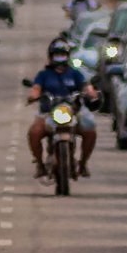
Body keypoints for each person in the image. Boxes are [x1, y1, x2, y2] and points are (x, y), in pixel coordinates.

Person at [26, 39, 100, 178]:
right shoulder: (44, 75)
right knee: (34, 132)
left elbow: (86, 86)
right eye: (56, 55)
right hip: (48, 112)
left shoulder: (75, 74)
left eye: (63, 55)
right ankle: (40, 165)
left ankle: (83, 164)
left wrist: (91, 93)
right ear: (51, 57)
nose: (60, 58)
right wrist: (33, 95)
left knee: (90, 129)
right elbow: (36, 88)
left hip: (72, 111)